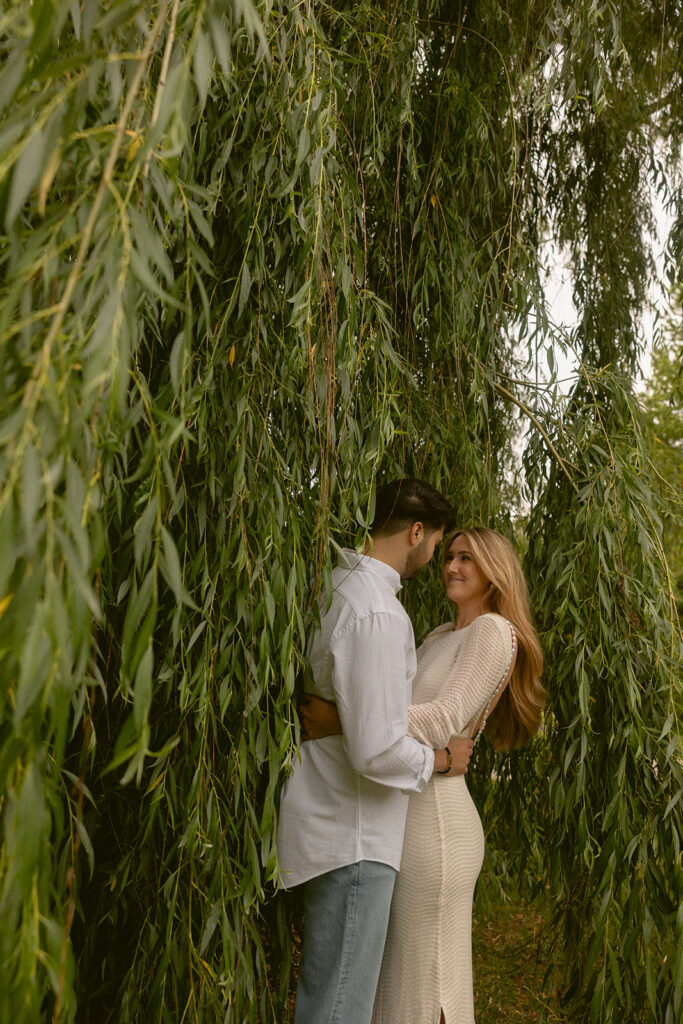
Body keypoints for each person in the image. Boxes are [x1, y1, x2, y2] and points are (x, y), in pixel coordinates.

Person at [302, 527, 545, 1024]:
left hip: (436, 823)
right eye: (449, 556)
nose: (452, 567)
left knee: (426, 980)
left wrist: (342, 716)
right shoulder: (438, 636)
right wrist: (366, 714)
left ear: (494, 572)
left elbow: (442, 720)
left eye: (467, 560)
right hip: (405, 806)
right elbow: (388, 709)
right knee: (395, 981)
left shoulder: (494, 632)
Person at [276, 479, 475, 1024]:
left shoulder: (331, 587)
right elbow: (378, 749)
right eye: (436, 543)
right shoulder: (381, 614)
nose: (435, 556)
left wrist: (346, 720)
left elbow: (346, 712)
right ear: (415, 532)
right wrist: (441, 760)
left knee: (324, 999)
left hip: (324, 818)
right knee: (340, 1009)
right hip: (356, 837)